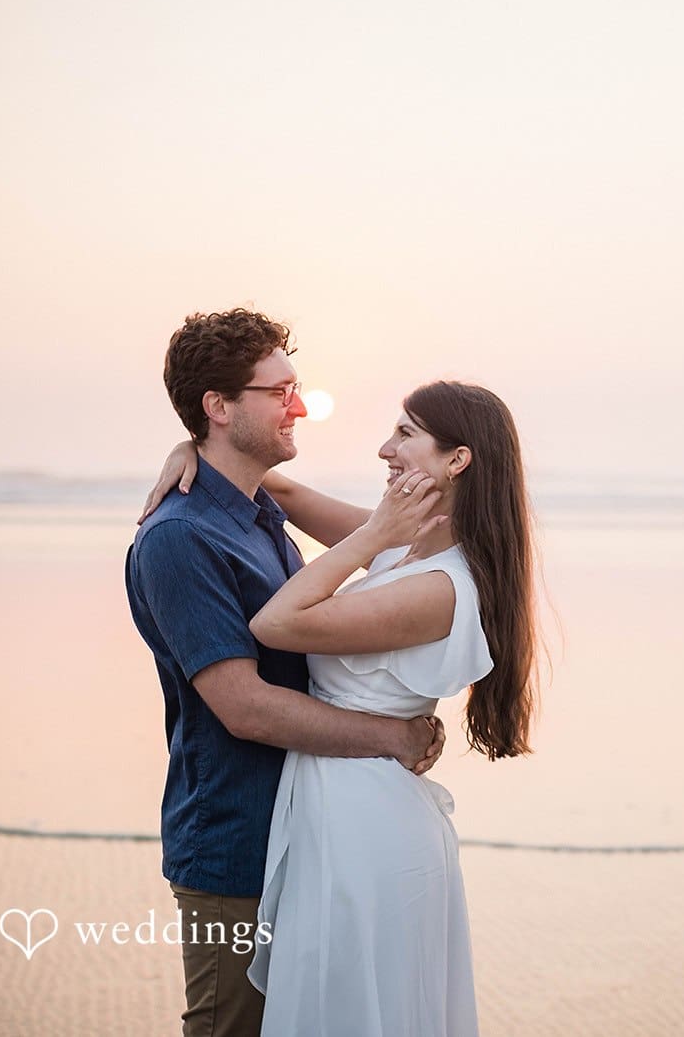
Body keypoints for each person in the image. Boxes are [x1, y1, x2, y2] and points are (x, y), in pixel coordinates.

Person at [141, 380, 539, 1036]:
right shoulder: (411, 548)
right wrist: (189, 449)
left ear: (456, 460)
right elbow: (284, 492)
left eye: (406, 434)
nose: (386, 447)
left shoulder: (439, 584)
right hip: (339, 798)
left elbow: (276, 623)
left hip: (366, 821)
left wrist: (373, 533)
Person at [126, 307, 445, 1037]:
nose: (298, 406)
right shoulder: (179, 539)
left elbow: (402, 541)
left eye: (297, 388)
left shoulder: (257, 509)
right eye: (279, 392)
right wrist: (391, 734)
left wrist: (189, 447)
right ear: (219, 406)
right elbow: (245, 707)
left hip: (308, 832)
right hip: (234, 848)